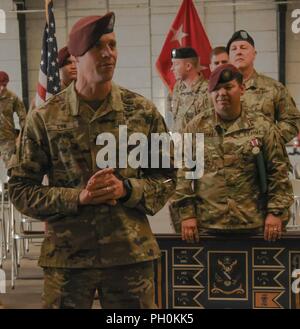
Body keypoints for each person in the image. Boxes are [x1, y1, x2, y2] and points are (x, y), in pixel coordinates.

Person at [8, 12, 176, 309]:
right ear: (76, 55)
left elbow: (165, 178)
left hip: (129, 258)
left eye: (112, 45)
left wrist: (126, 189)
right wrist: (78, 197)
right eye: (98, 47)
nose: (109, 54)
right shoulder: (45, 118)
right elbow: (21, 190)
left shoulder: (142, 112)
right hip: (68, 261)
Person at [173, 64, 293, 243]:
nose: (221, 93)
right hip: (206, 227)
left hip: (255, 225)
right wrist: (186, 215)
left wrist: (275, 213)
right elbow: (181, 174)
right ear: (210, 93)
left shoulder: (262, 126)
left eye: (228, 87)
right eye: (216, 89)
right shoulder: (195, 128)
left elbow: (278, 172)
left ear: (242, 89)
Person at [227, 30, 300, 144]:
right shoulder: (218, 90)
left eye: (243, 47)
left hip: (263, 159)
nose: (239, 52)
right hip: (228, 159)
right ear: (229, 57)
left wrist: (268, 141)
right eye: (234, 49)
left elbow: (292, 121)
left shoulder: (274, 87)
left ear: (254, 54)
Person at [170, 47, 210, 133]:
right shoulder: (177, 88)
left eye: (176, 64)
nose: (172, 68)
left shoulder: (207, 90)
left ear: (188, 66)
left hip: (198, 144)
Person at [0, 71, 26, 168]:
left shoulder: (12, 97)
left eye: (4, 85)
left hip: (7, 138)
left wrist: (22, 135)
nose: (2, 88)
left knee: (11, 167)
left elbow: (23, 116)